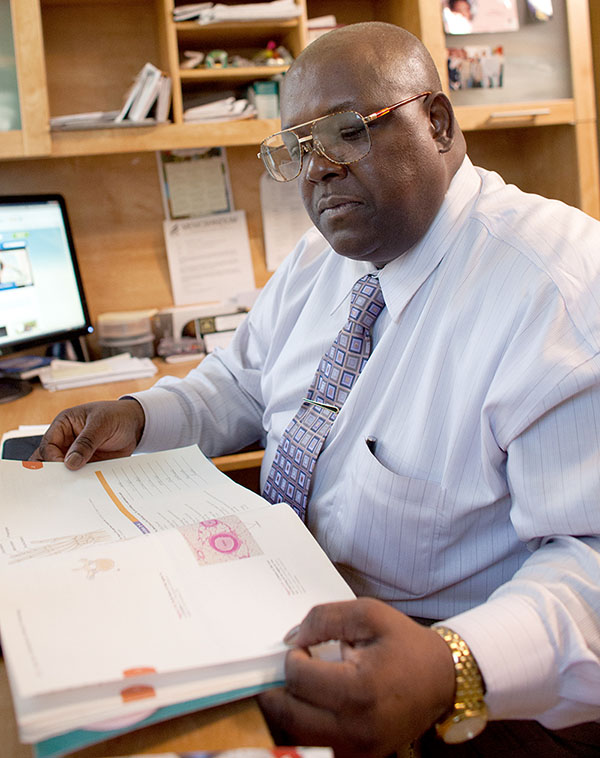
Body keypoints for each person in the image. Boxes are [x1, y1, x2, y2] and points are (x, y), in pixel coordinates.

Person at [33, 22, 600, 757]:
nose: (318, 169)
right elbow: (238, 382)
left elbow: (589, 562)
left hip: (463, 689)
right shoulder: (319, 260)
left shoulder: (558, 290)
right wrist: (139, 415)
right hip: (275, 615)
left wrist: (452, 664)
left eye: (345, 133)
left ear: (437, 121)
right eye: (296, 149)